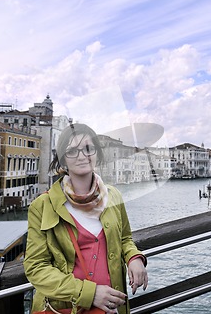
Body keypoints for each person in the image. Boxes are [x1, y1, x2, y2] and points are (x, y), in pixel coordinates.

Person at [24, 123, 148, 314]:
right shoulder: (42, 206)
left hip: (112, 308)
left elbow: (124, 239)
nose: (82, 156)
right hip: (66, 308)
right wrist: (89, 293)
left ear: (97, 153)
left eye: (88, 149)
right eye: (72, 151)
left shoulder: (113, 196)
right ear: (63, 160)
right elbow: (36, 268)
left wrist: (134, 257)